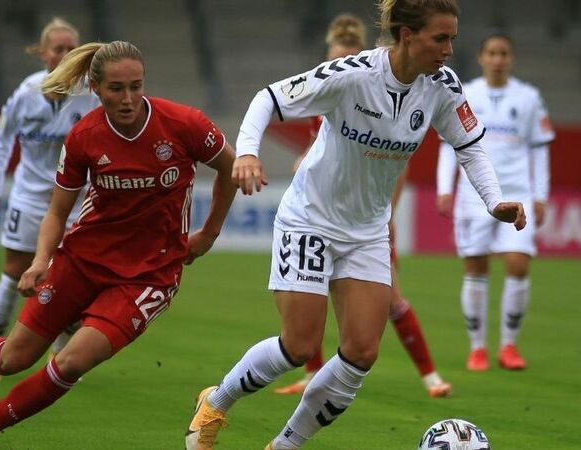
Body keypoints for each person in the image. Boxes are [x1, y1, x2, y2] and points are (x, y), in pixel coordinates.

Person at [185, 1, 526, 448]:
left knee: (362, 352)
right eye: (440, 38)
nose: (448, 50)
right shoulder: (352, 74)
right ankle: (215, 403)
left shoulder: (443, 86)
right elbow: (268, 99)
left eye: (452, 39)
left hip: (367, 230)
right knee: (300, 345)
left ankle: (285, 445)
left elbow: (470, 147)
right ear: (406, 35)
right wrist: (247, 151)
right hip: (311, 218)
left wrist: (494, 200)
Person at [0, 40, 237, 450]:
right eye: (116, 89)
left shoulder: (184, 124)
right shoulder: (85, 136)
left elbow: (231, 169)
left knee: (71, 361)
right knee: (15, 357)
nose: (127, 99)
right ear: (95, 88)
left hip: (149, 275)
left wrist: (208, 234)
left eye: (136, 86)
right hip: (82, 261)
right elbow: (57, 212)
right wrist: (39, 262)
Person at [276, 13, 452, 399]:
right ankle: (312, 374)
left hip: (369, 220)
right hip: (325, 215)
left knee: (390, 300)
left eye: (344, 58)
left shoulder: (375, 93)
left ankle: (430, 375)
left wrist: (387, 214)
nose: (334, 67)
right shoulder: (324, 101)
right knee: (310, 293)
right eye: (330, 60)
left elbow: (394, 165)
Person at [0, 17, 99, 382]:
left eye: (71, 49)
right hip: (29, 198)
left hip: (75, 201)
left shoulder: (91, 95)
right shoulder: (26, 93)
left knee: (73, 276)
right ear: (43, 52)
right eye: (57, 48)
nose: (64, 55)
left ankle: (62, 350)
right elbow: (0, 138)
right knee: (15, 272)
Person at [436, 33, 554, 372]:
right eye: (492, 53)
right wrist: (445, 188)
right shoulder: (466, 94)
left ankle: (509, 346)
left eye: (503, 53)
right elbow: (449, 145)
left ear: (511, 58)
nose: (498, 58)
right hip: (473, 196)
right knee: (475, 268)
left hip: (518, 192)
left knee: (518, 264)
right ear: (481, 57)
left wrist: (541, 195)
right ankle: (477, 349)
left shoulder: (529, 97)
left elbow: (540, 148)